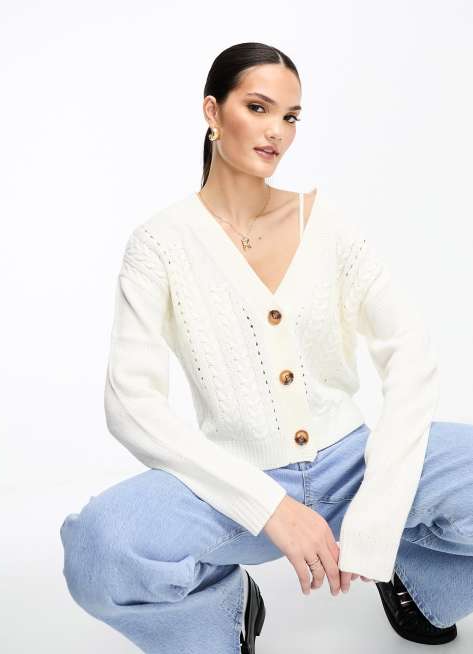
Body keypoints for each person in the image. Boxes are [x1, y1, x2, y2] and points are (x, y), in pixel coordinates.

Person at [60, 42, 473, 653]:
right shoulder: (160, 244)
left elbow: (410, 353)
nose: (277, 131)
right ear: (212, 111)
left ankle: (420, 580)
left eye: (291, 116)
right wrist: (268, 507)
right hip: (230, 482)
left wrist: (380, 515)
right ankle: (220, 620)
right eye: (258, 108)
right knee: (100, 549)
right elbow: (131, 404)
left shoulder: (325, 223)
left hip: (355, 461)